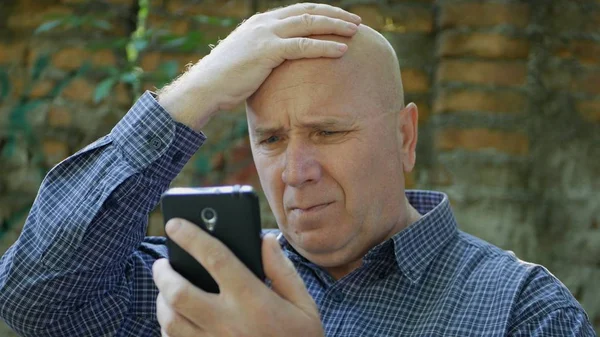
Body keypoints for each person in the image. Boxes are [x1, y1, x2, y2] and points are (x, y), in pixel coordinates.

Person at [0, 2, 595, 337]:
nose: (296, 170)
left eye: (328, 132)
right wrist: (195, 91)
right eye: (272, 139)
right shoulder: (206, 286)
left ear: (404, 136)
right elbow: (31, 299)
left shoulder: (521, 310)